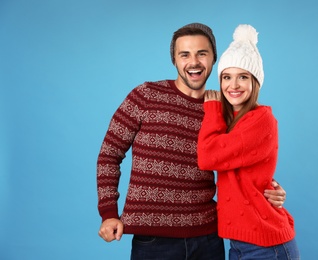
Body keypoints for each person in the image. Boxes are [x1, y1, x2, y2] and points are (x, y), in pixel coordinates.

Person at [97, 22, 287, 260]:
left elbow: (244, 160)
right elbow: (109, 155)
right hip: (154, 241)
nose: (194, 62)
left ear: (214, 59)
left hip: (208, 238)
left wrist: (270, 186)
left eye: (202, 53)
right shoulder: (145, 96)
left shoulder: (226, 111)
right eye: (184, 54)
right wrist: (108, 212)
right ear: (174, 60)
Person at [197, 24, 300, 260]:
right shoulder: (231, 119)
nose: (233, 86)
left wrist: (212, 111)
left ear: (255, 81)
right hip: (240, 244)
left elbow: (207, 157)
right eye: (226, 77)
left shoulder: (261, 119)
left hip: (266, 246)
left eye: (242, 77)